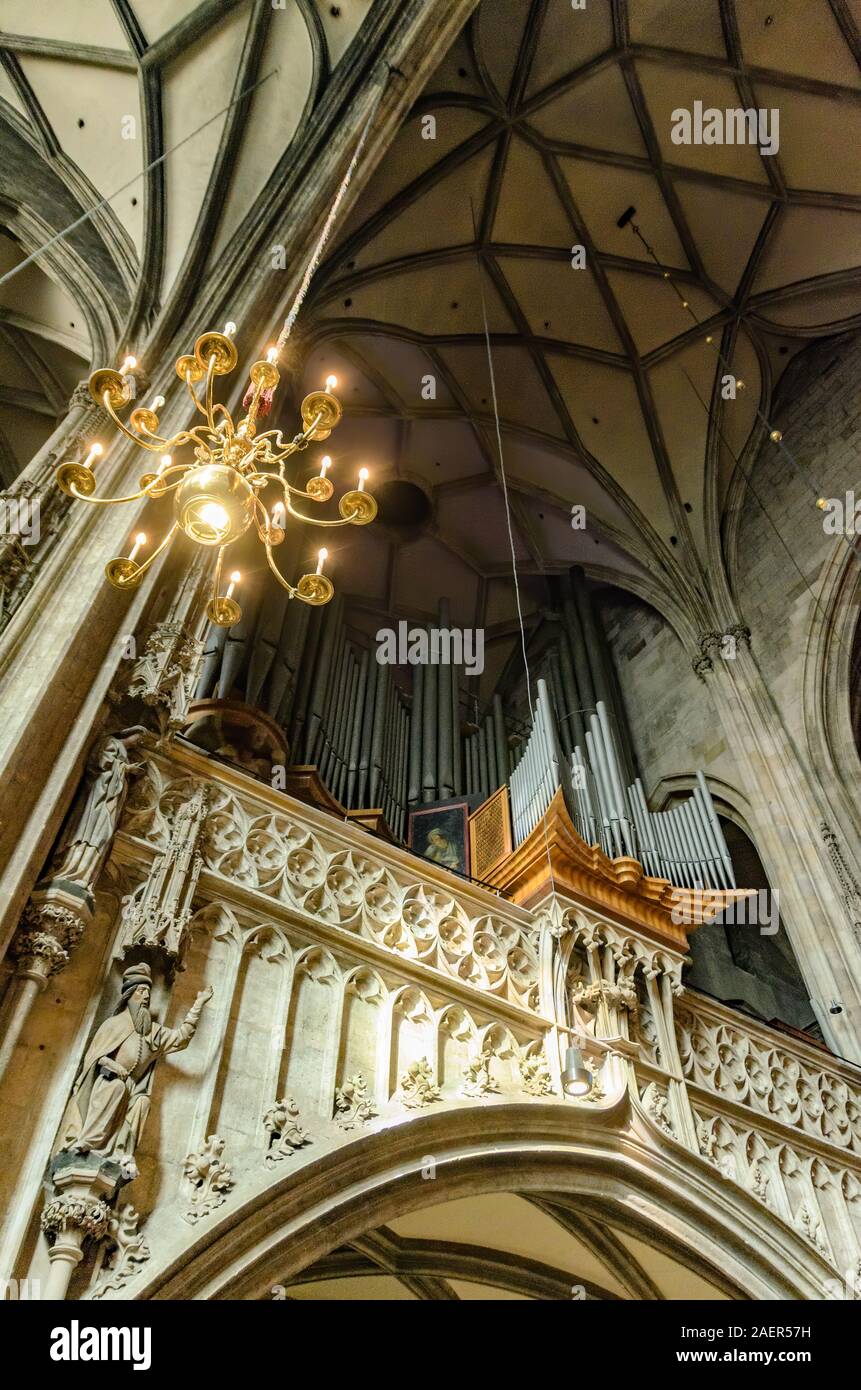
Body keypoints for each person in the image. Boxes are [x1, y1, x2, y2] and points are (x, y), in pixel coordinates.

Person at [58, 962, 212, 1158]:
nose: (146, 997)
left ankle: (120, 1154)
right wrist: (112, 1064)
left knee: (142, 1103)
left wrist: (198, 1005)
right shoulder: (113, 1024)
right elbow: (94, 1058)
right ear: (129, 995)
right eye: (141, 991)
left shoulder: (153, 1031)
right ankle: (87, 1141)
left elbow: (181, 1038)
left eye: (148, 992)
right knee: (115, 1088)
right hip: (109, 1081)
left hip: (133, 1089)